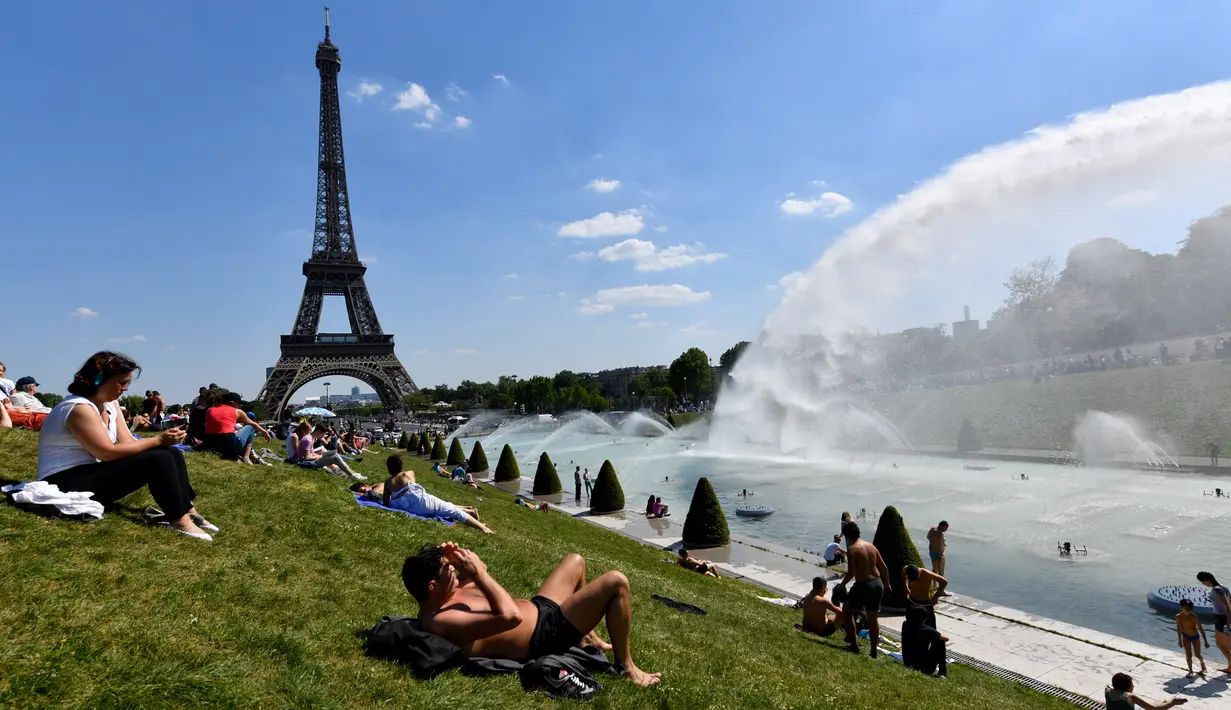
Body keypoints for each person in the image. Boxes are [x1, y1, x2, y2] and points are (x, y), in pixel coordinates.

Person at [403, 542, 660, 686]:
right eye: (447, 569)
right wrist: (478, 575)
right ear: (431, 586)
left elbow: (480, 567)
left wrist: (454, 557)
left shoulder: (446, 593)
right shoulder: (440, 620)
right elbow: (510, 616)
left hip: (540, 610)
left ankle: (586, 638)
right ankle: (626, 666)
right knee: (616, 582)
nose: (452, 572)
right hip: (544, 636)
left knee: (576, 560)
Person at [35, 351, 216, 541]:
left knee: (169, 452)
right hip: (62, 482)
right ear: (99, 379)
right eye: (121, 382)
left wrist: (164, 442)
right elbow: (106, 453)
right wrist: (158, 440)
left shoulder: (110, 404)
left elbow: (128, 442)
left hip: (88, 472)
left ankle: (188, 510)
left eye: (127, 382)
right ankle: (179, 521)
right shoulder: (78, 408)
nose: (125, 388)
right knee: (158, 458)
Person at [352, 456, 492, 534]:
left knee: (448, 509)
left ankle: (475, 517)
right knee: (453, 511)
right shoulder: (408, 473)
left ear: (389, 469)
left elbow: (387, 502)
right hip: (423, 501)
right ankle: (482, 527)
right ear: (401, 466)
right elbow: (413, 484)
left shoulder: (388, 482)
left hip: (413, 509)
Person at [837, 521, 890, 657]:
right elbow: (884, 568)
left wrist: (842, 585)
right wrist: (887, 586)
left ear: (847, 536)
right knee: (873, 618)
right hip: (877, 584)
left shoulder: (852, 549)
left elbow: (851, 573)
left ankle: (853, 645)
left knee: (847, 610)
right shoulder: (871, 546)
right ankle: (873, 650)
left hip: (863, 585)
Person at [203, 391, 271, 464]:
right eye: (239, 403)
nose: (240, 406)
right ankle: (246, 457)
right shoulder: (237, 411)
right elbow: (254, 424)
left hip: (210, 445)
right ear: (233, 403)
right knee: (250, 427)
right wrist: (264, 432)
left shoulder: (210, 410)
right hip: (230, 447)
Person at [295, 423, 363, 479]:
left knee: (334, 455)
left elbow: (311, 453)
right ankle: (352, 475)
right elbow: (307, 457)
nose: (323, 436)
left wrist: (320, 456)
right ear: (319, 432)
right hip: (306, 463)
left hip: (310, 461)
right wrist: (320, 456)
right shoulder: (308, 440)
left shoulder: (311, 438)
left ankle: (352, 473)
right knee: (335, 457)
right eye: (323, 434)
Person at [901, 603, 948, 678]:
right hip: (925, 668)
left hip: (908, 663)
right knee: (940, 642)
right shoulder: (926, 630)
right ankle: (943, 671)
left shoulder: (905, 624)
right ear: (924, 618)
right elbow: (946, 638)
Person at [1197, 571, 1231, 673]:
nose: (1203, 584)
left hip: (1222, 619)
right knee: (1228, 645)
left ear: (1206, 580)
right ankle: (1230, 667)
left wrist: (1228, 625)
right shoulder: (1224, 587)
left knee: (1220, 644)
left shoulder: (1217, 590)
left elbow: (1228, 607)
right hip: (1226, 618)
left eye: (1202, 582)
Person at [1105, 672, 1187, 709]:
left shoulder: (1107, 690)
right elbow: (1153, 709)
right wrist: (1172, 702)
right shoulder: (1130, 697)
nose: (1133, 686)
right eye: (1131, 685)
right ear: (1126, 687)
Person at [904, 564, 947, 629]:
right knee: (911, 624)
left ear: (919, 573)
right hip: (913, 602)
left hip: (925, 604)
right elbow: (904, 576)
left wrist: (935, 597)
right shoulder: (907, 570)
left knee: (930, 625)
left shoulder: (926, 573)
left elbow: (944, 582)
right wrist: (906, 587)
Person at [1176, 599, 1208, 677]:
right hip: (1185, 636)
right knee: (1188, 655)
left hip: (1195, 637)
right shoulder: (1178, 616)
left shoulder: (1194, 617)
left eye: (1190, 608)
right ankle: (1190, 671)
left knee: (1197, 655)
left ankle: (1202, 662)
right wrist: (1179, 640)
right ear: (1181, 608)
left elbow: (1201, 629)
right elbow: (1179, 628)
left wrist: (1205, 641)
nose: (1188, 610)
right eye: (1186, 608)